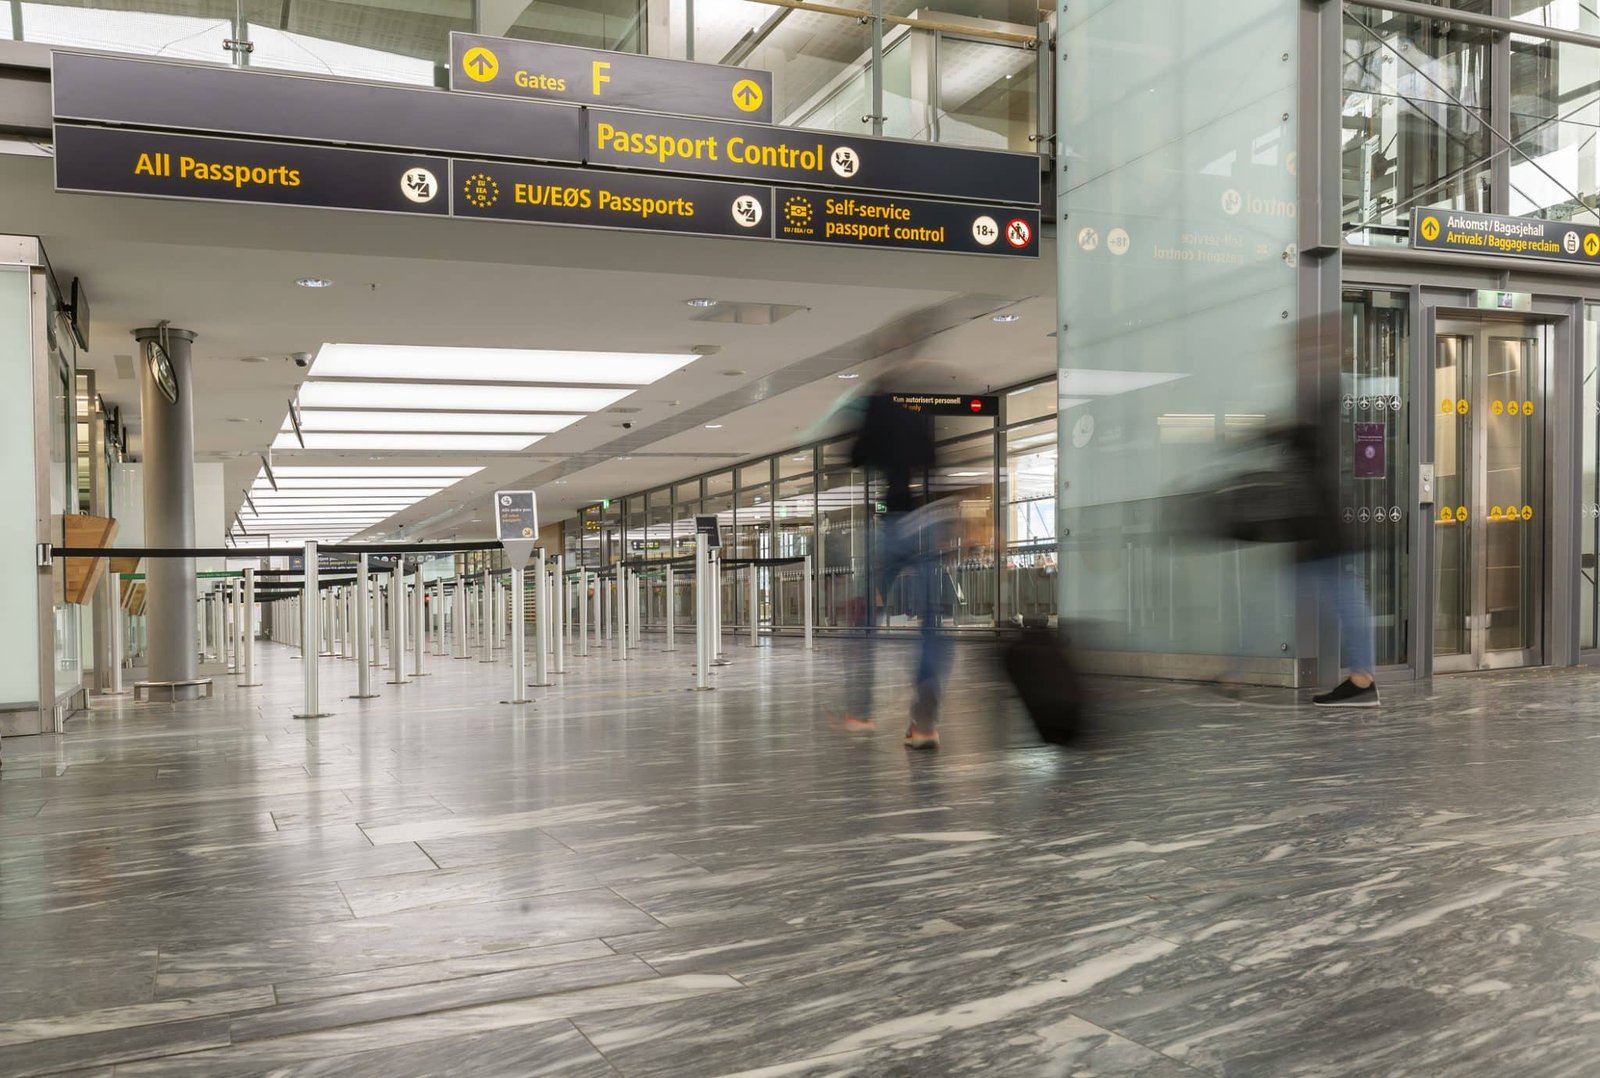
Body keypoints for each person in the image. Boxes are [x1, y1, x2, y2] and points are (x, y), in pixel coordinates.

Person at [841, 369, 955, 748]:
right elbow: (935, 466)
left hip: (891, 524)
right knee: (930, 624)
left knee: (865, 619)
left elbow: (855, 457)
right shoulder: (917, 422)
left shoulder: (876, 419)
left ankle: (861, 710)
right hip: (927, 525)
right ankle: (925, 721)